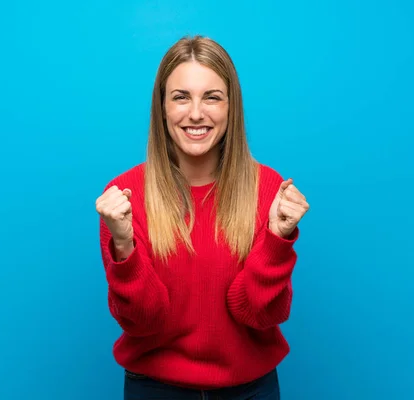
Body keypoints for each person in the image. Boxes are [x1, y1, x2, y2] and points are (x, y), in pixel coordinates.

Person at [95, 35, 310, 399]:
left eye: (212, 97)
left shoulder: (268, 190)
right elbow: (143, 321)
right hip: (154, 390)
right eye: (181, 97)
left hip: (251, 390)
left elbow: (258, 314)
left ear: (232, 108)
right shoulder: (125, 197)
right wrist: (123, 244)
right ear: (162, 108)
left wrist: (277, 237)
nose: (196, 113)